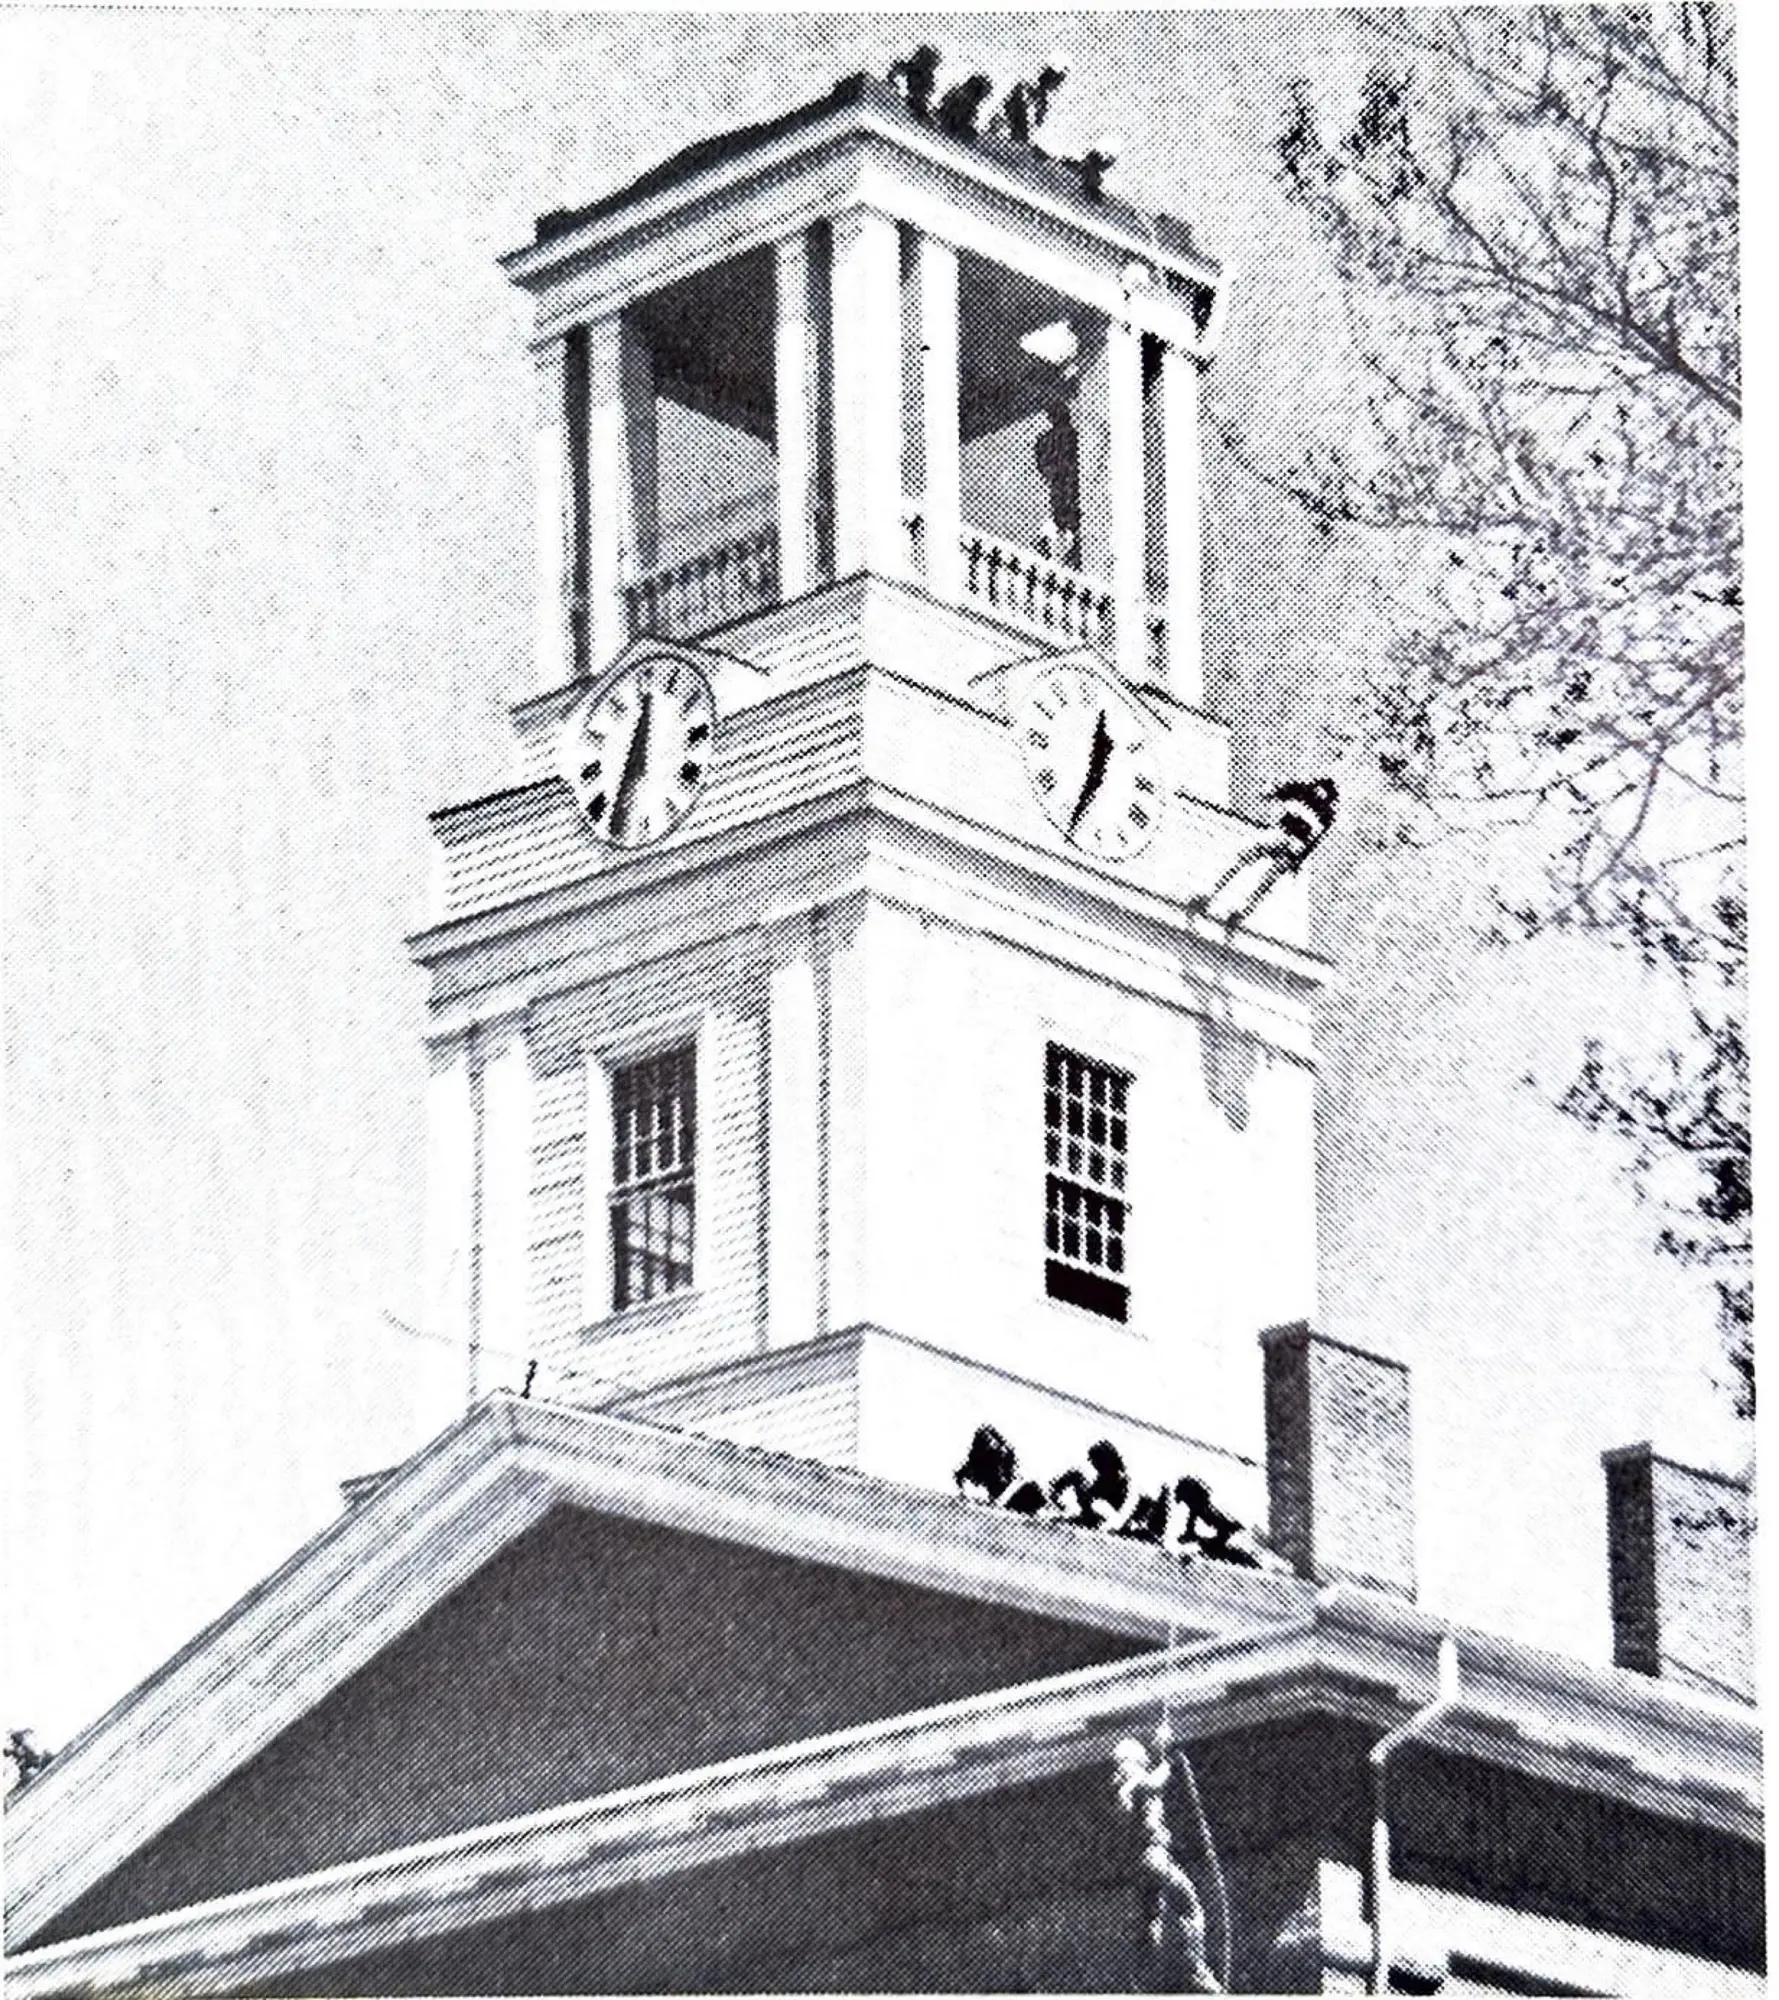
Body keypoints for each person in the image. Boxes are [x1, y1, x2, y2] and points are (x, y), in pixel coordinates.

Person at [1112, 1736, 1223, 1993]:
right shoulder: (1137, 1784)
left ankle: (1142, 1974)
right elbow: (1158, 1779)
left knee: (1151, 1918)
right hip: (1154, 1857)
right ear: (1135, 1762)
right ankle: (1196, 1970)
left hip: (1139, 1864)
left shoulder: (1123, 1789)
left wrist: (1162, 1750)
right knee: (1189, 1905)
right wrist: (1166, 1755)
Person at [1033, 400, 1082, 567]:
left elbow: (1041, 461)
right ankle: (1064, 550)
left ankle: (1065, 550)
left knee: (1063, 516)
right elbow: (1042, 460)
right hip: (1067, 483)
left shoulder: (1049, 439)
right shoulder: (1071, 436)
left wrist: (1051, 473)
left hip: (1064, 484)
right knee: (1067, 516)